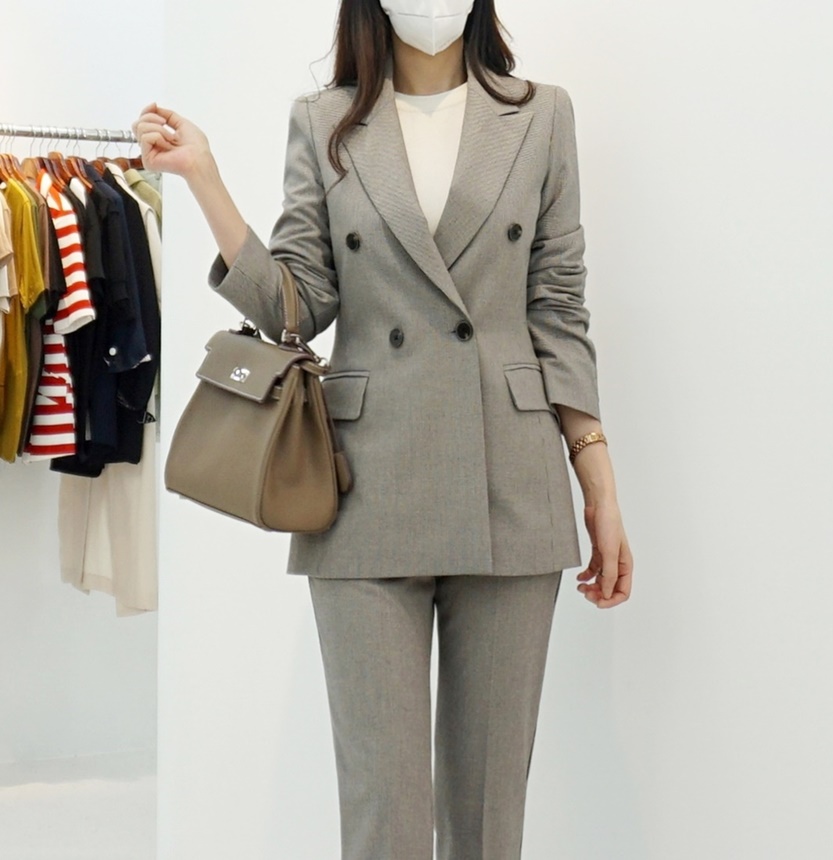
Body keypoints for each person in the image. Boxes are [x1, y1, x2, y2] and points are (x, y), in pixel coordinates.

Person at [133, 0, 634, 856]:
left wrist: (599, 486)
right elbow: (295, 308)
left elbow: (557, 308)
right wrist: (204, 178)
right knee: (383, 815)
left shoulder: (541, 115)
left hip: (511, 483)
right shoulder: (323, 122)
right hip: (365, 490)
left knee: (489, 816)